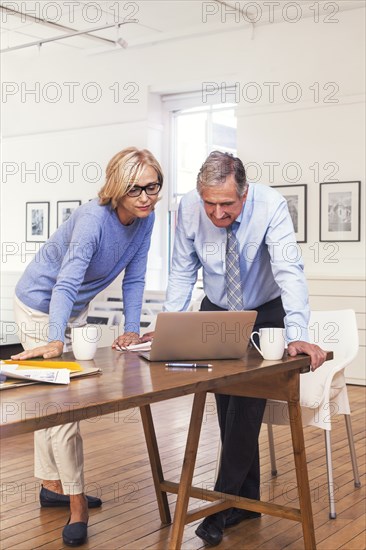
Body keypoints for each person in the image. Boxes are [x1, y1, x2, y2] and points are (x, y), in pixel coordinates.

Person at [163, 151, 327, 546]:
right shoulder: (188, 208)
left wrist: (296, 332)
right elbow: (182, 269)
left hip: (265, 310)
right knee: (225, 401)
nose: (217, 214)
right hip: (216, 308)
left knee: (249, 398)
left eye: (226, 204)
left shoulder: (270, 206)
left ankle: (220, 505)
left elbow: (290, 270)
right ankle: (246, 501)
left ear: (245, 193)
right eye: (210, 203)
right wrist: (167, 325)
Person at [11, 147, 163, 547]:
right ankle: (76, 505)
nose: (147, 196)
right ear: (117, 188)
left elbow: (134, 279)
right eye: (136, 189)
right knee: (64, 408)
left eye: (153, 186)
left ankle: (51, 487)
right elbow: (64, 283)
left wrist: (132, 329)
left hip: (70, 310)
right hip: (39, 306)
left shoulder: (145, 221)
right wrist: (54, 337)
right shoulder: (94, 220)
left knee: (52, 404)